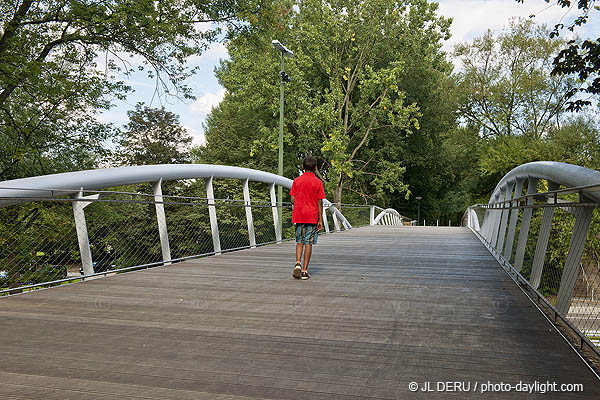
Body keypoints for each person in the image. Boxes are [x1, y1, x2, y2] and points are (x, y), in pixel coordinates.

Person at [290, 156, 325, 280]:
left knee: (299, 241)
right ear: (315, 168)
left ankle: (298, 263)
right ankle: (304, 271)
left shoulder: (297, 181)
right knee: (308, 242)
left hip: (299, 215)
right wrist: (320, 219)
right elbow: (320, 201)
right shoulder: (318, 182)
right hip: (312, 216)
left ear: (303, 167)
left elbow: (292, 199)